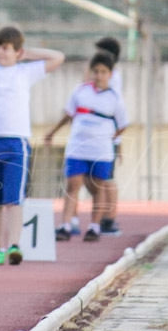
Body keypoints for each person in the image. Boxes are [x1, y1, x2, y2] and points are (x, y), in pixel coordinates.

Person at [0, 26, 65, 265]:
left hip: (16, 143)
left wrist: (25, 53)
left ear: (17, 52)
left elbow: (58, 57)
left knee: (13, 198)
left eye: (6, 49)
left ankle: (14, 244)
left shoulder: (26, 72)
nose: (1, 53)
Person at [43, 51, 128, 242]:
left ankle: (94, 226)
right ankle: (65, 224)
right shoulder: (80, 91)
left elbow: (123, 125)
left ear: (110, 74)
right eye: (96, 71)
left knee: (98, 187)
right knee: (73, 184)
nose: (99, 75)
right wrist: (52, 132)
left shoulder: (115, 98)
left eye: (103, 72)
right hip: (77, 147)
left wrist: (109, 139)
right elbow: (68, 115)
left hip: (101, 150)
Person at [89, 36, 123, 236]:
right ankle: (102, 216)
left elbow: (114, 110)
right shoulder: (104, 77)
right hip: (100, 134)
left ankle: (109, 218)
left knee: (106, 179)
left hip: (107, 136)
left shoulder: (111, 79)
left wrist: (117, 139)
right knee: (95, 179)